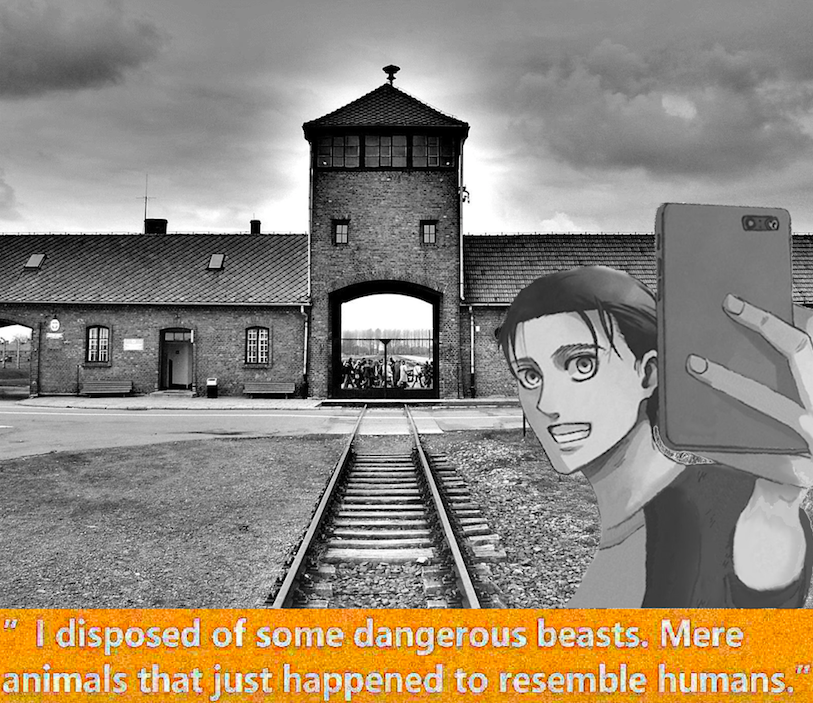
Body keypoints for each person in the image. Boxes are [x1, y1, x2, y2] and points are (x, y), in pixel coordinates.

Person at [497, 265, 813, 607]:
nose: (547, 404)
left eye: (582, 364)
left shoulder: (734, 507)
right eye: (529, 375)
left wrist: (777, 505)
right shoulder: (624, 534)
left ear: (648, 372)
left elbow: (763, 564)